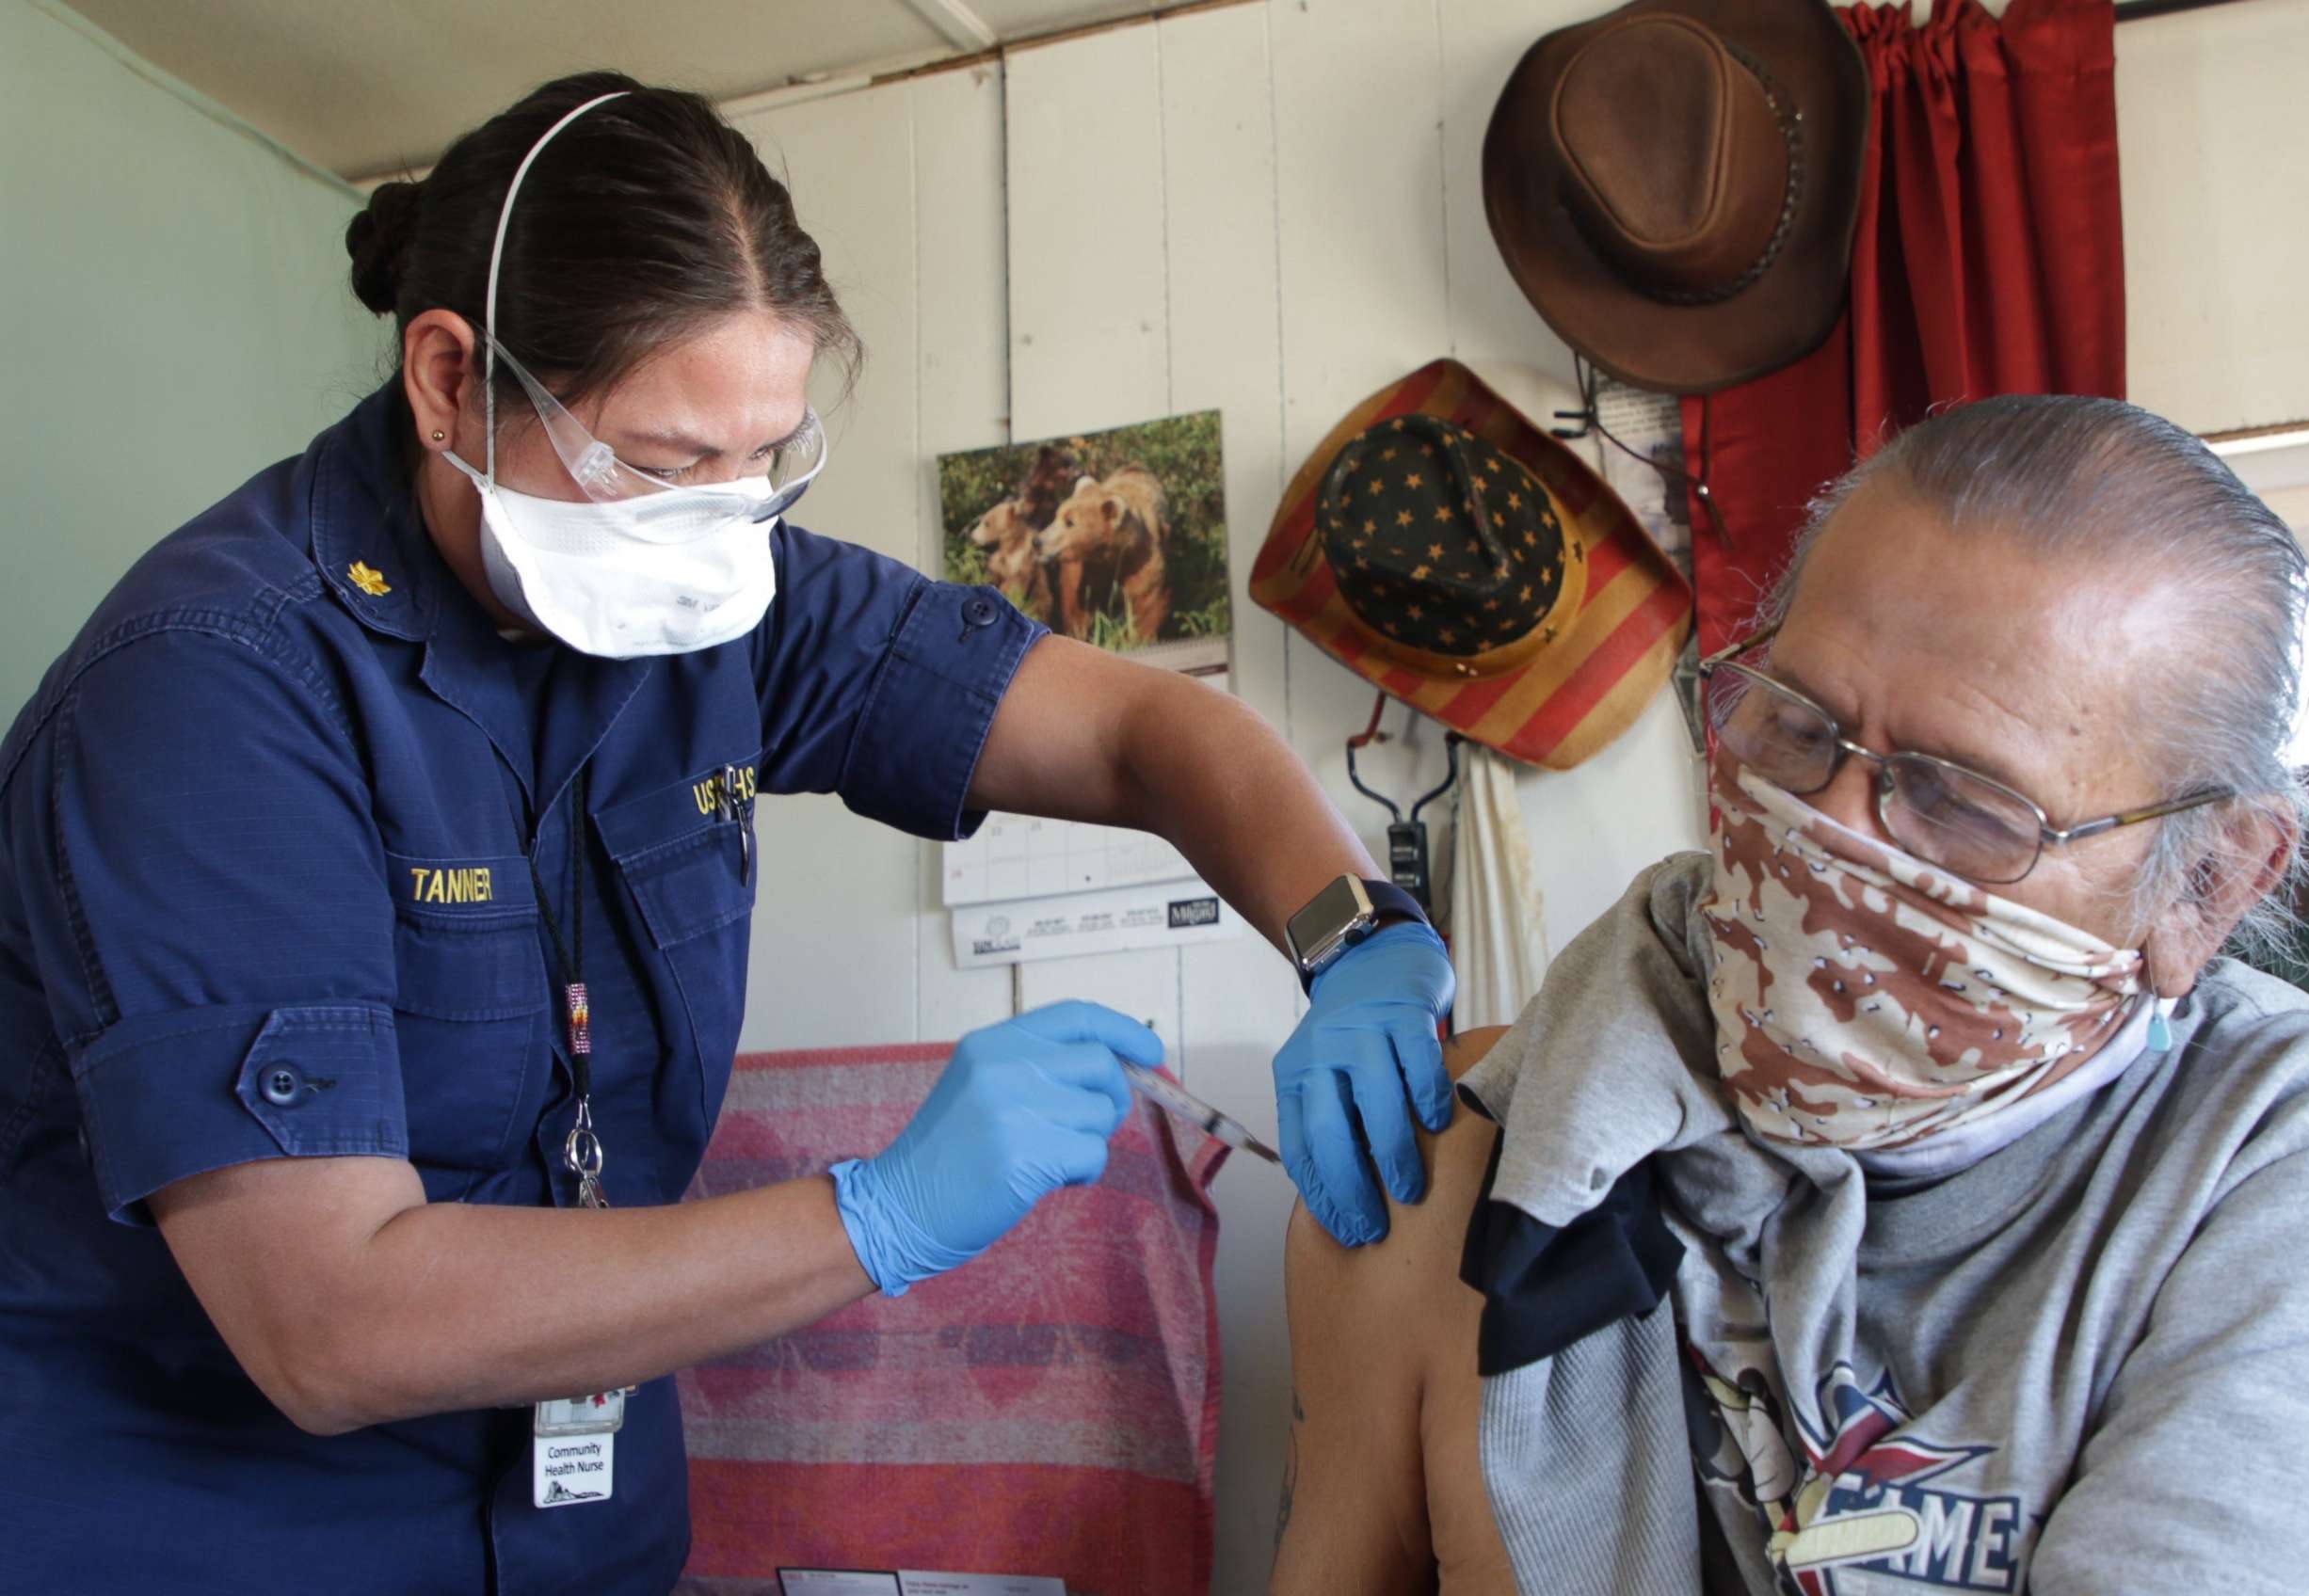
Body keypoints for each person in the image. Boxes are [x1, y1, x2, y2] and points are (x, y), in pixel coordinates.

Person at [0, 73, 1452, 1595]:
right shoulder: (215, 691)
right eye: (663, 458)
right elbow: (330, 1321)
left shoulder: (723, 593)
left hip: (581, 1516)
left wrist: (1346, 938)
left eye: (764, 459)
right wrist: (876, 1215)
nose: (717, 522)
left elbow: (1143, 730)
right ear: (446, 383)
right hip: (211, 1526)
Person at [1272, 395, 2309, 1595]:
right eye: (1796, 727)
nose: (1825, 839)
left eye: (1966, 802)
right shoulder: (1481, 1149)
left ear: (2204, 885)